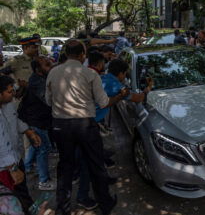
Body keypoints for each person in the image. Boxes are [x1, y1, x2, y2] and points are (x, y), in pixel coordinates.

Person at [46, 40, 127, 215]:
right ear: (83, 54)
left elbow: (48, 100)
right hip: (84, 125)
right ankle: (105, 203)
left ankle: (63, 208)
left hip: (60, 126)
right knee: (96, 164)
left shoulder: (53, 72)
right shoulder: (90, 74)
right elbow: (104, 102)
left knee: (65, 167)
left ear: (66, 53)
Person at [0, 75, 42, 214]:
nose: (13, 94)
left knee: (23, 194)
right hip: (4, 168)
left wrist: (29, 132)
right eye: (9, 92)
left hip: (16, 158)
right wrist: (12, 169)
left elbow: (16, 121)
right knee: (10, 201)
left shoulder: (9, 104)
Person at [18, 57, 55, 191]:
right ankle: (43, 181)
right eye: (47, 65)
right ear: (38, 70)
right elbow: (48, 100)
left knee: (36, 145)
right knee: (43, 148)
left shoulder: (39, 79)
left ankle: (28, 167)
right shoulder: (37, 82)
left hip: (36, 120)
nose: (51, 66)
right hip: (35, 120)